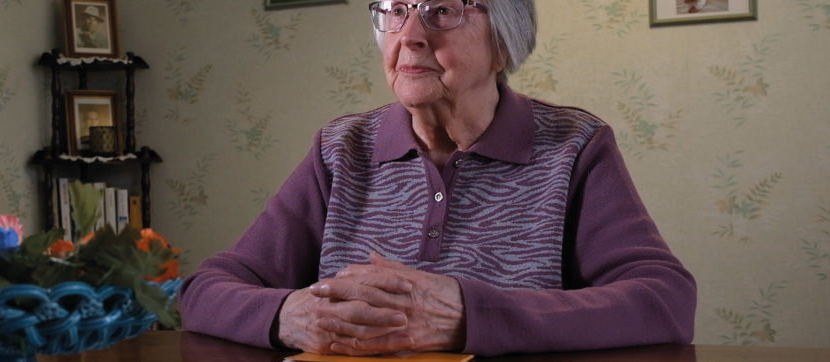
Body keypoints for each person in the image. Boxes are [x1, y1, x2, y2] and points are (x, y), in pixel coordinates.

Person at [179, 0, 696, 357]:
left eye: (442, 11)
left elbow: (665, 302)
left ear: (504, 44)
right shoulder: (342, 148)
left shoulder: (574, 145)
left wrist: (468, 315)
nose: (410, 37)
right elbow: (205, 291)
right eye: (396, 11)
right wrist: (288, 315)